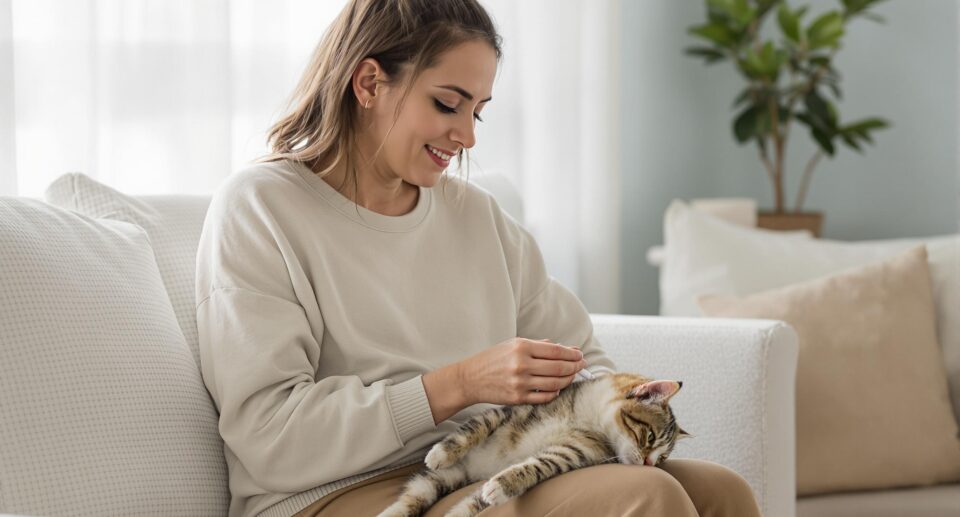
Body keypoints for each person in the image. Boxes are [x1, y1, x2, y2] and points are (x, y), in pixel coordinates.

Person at [194, 1, 764, 516]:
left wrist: (603, 403)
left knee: (723, 491)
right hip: (336, 493)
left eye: (479, 112)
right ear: (368, 82)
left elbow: (584, 360)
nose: (466, 135)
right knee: (648, 495)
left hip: (484, 466)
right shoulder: (262, 207)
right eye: (448, 104)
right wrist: (459, 384)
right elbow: (269, 437)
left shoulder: (477, 216)